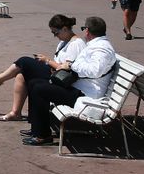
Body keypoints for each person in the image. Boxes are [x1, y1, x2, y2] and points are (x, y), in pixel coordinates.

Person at [23, 16, 117, 145]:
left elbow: (95, 70)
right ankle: (36, 128)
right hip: (78, 89)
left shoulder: (102, 48)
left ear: (87, 31)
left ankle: (42, 135)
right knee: (35, 83)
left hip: (86, 96)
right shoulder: (97, 45)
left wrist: (72, 65)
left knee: (40, 89)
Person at [0, 14, 85, 121]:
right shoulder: (63, 42)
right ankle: (15, 112)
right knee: (21, 75)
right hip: (54, 74)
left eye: (56, 33)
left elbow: (67, 69)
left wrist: (47, 61)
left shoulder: (76, 44)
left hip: (61, 79)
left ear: (65, 29)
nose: (55, 36)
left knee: (24, 61)